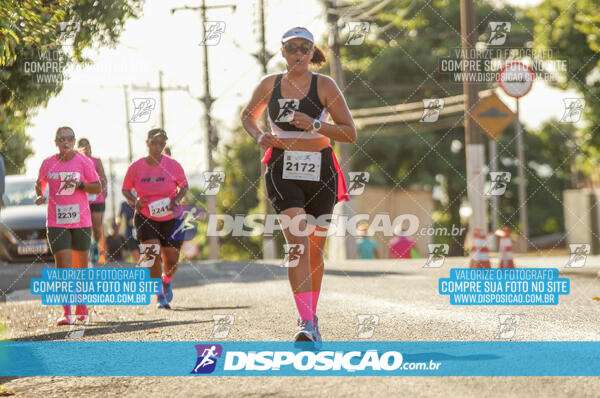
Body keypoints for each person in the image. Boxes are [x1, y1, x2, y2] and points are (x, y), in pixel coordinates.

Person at [241, 27, 356, 346]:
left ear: (311, 51)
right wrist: (260, 135)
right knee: (297, 244)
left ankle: (312, 315)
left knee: (315, 251)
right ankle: (305, 322)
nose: (298, 53)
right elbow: (248, 117)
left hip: (320, 168)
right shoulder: (270, 84)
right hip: (282, 167)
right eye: (292, 48)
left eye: (305, 47)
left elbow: (349, 133)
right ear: (282, 52)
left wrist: (316, 124)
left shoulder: (325, 85)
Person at [35, 126, 101, 325]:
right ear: (55, 142)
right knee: (63, 266)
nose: (66, 142)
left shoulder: (84, 162)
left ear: (74, 141)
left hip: (81, 220)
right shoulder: (48, 163)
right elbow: (40, 182)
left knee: (80, 267)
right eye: (62, 139)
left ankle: (81, 307)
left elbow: (97, 186)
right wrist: (40, 194)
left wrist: (80, 185)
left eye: (70, 138)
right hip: (56, 221)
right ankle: (66, 312)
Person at [122, 128, 189, 309]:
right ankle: (160, 295)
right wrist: (134, 200)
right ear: (147, 143)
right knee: (152, 256)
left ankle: (166, 281)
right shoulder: (136, 167)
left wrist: (176, 199)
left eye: (162, 143)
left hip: (171, 218)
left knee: (172, 260)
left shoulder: (172, 165)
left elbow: (184, 185)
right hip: (146, 216)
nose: (158, 146)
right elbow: (125, 189)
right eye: (155, 142)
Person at [76, 138, 108, 264]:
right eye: (82, 147)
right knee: (84, 226)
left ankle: (95, 245)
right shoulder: (75, 162)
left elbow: (103, 177)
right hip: (82, 199)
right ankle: (86, 248)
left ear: (90, 148)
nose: (85, 149)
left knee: (97, 226)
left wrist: (104, 190)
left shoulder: (96, 161)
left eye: (87, 146)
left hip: (97, 198)